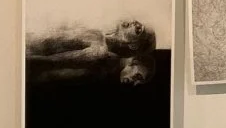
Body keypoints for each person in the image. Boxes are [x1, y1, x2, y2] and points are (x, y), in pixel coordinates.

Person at [25, 19, 156, 86]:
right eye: (138, 77)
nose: (134, 23)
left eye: (138, 29)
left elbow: (49, 64)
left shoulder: (101, 52)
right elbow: (48, 61)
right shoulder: (99, 47)